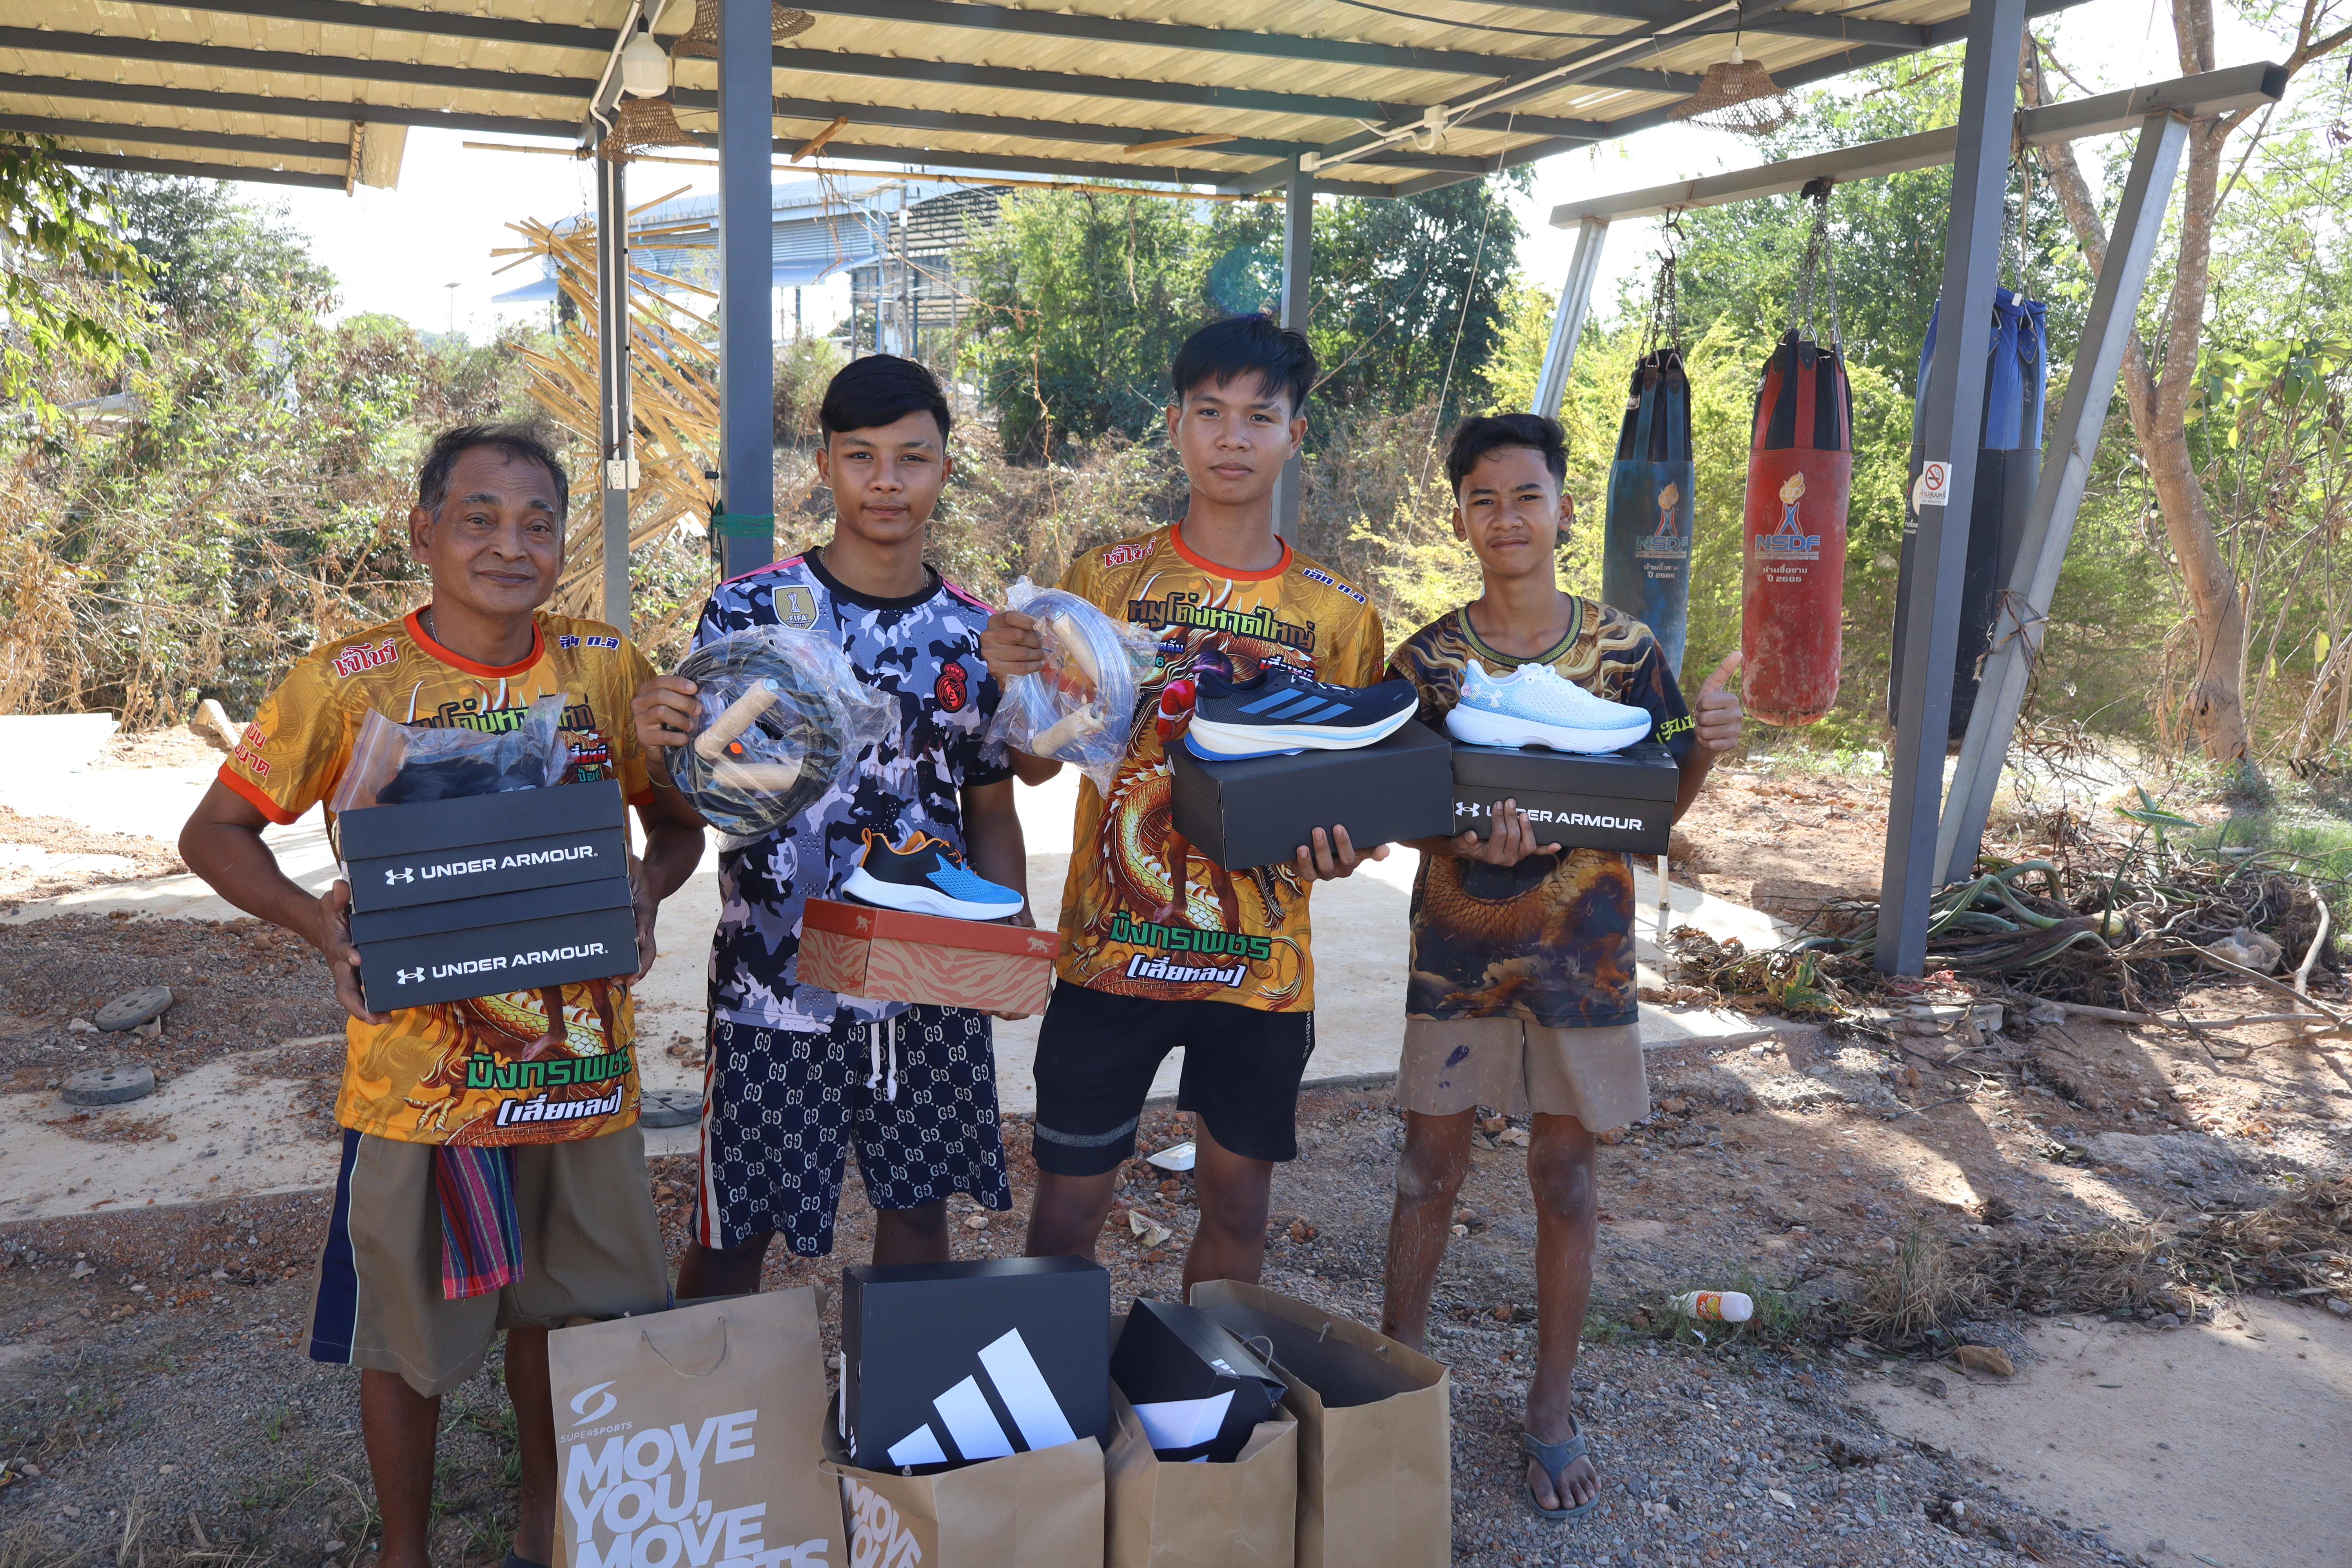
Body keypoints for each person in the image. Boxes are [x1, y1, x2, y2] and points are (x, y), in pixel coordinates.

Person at [178, 423, 706, 1568]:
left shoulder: (605, 664)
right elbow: (213, 833)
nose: (510, 545)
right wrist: (321, 925)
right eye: (479, 518)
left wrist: (649, 894)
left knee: (560, 1318)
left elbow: (676, 823)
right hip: (423, 1081)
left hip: (576, 1069)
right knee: (404, 1336)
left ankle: (542, 1526)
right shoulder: (348, 679)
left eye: (537, 522)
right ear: (424, 531)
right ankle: (403, 1555)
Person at [1376, 412, 1743, 1523]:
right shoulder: (1428, 660)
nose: (1507, 518)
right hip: (1456, 957)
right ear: (1459, 519)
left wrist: (1709, 749)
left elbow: (1653, 811)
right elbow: (1399, 810)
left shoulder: (1628, 654)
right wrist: (1459, 842)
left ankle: (1549, 1406)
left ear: (1565, 509)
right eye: (1483, 500)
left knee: (1568, 1181)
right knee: (1426, 1172)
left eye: (1526, 496)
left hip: (1585, 962)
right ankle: (1393, 1389)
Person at [980, 312, 1390, 1293]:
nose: (1233, 436)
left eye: (1260, 415)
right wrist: (1015, 685)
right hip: (1112, 952)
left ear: (1297, 434)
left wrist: (1341, 847)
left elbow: (1352, 808)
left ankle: (1202, 1419)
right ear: (1176, 425)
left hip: (1260, 964)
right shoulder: (1102, 583)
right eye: (1211, 412)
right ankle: (1061, 1420)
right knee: (1070, 1207)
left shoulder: (1338, 615)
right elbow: (1040, 767)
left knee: (1240, 1206)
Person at [631, 353, 1036, 1297]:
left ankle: (898, 1423)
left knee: (919, 1205)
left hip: (925, 971)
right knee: (740, 1221)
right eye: (861, 455)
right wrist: (661, 753)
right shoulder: (752, 610)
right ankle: (708, 1427)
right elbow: (701, 798)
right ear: (823, 466)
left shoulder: (976, 636)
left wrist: (1009, 932)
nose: (887, 481)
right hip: (778, 975)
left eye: (912, 456)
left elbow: (990, 803)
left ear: (946, 467)